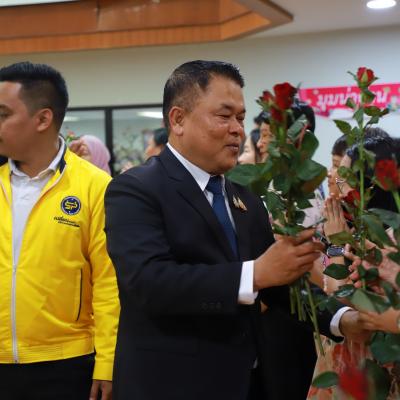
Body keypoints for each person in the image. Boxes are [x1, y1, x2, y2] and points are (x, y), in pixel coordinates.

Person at [104, 60, 363, 400]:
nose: (238, 130)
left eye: (240, 118)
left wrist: (341, 319)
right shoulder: (136, 189)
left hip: (248, 382)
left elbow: (277, 283)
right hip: (173, 384)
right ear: (178, 120)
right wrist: (254, 274)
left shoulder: (243, 194)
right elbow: (149, 282)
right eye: (224, 116)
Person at [0, 61, 119, 400]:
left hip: (67, 361)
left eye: (3, 114)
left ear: (43, 119)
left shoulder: (95, 186)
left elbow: (109, 283)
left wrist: (108, 362)